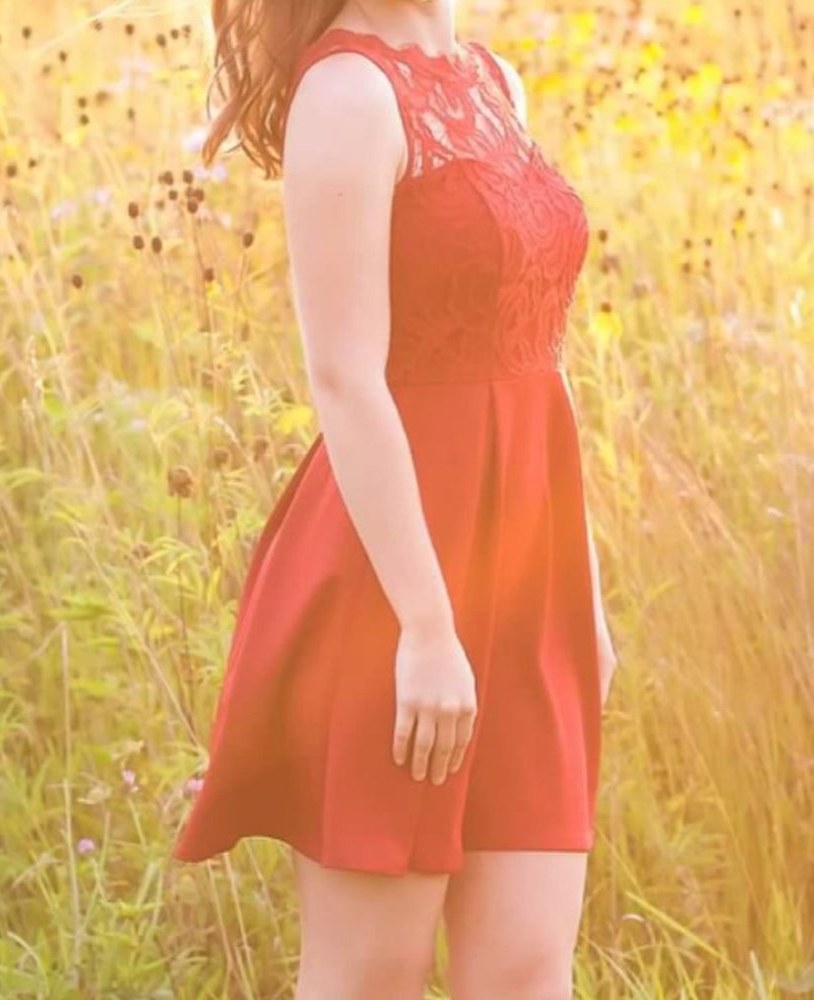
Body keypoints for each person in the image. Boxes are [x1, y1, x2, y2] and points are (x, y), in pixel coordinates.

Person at [173, 0, 620, 995]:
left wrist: (579, 596)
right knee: (372, 973)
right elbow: (343, 377)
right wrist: (425, 624)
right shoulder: (347, 93)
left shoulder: (491, 82)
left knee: (525, 968)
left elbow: (537, 356)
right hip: (394, 585)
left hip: (525, 572)